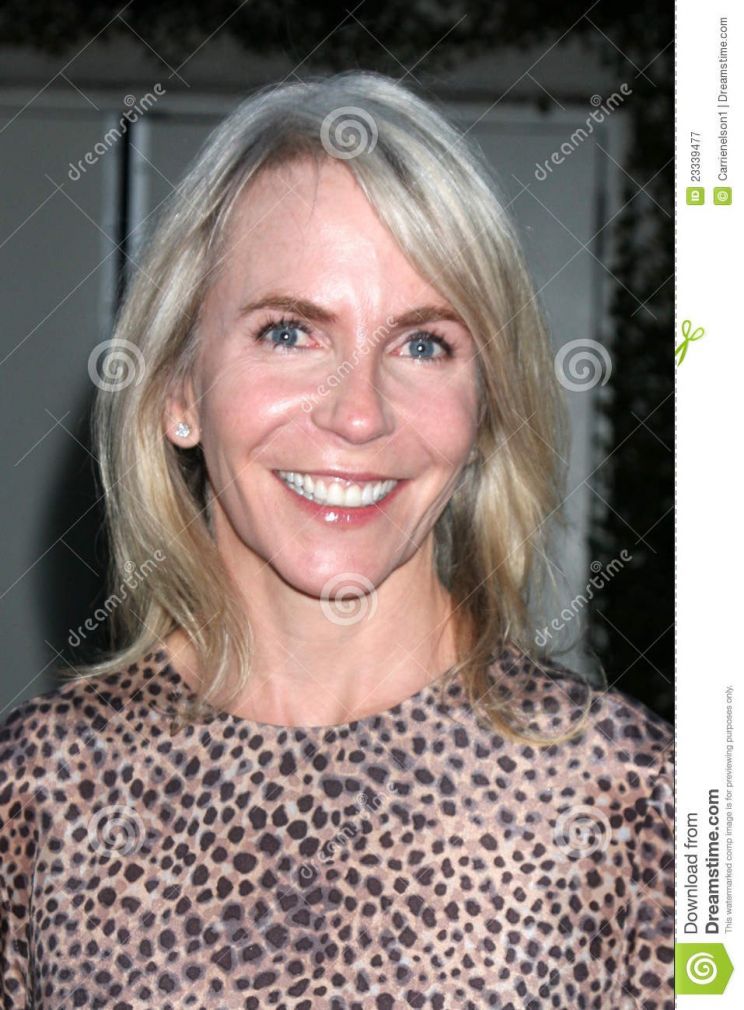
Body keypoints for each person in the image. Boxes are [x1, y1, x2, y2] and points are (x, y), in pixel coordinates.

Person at [0, 70, 673, 1010]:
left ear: (483, 411)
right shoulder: (42, 790)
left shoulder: (634, 799)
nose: (359, 414)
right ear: (179, 390)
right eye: (289, 333)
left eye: (424, 344)